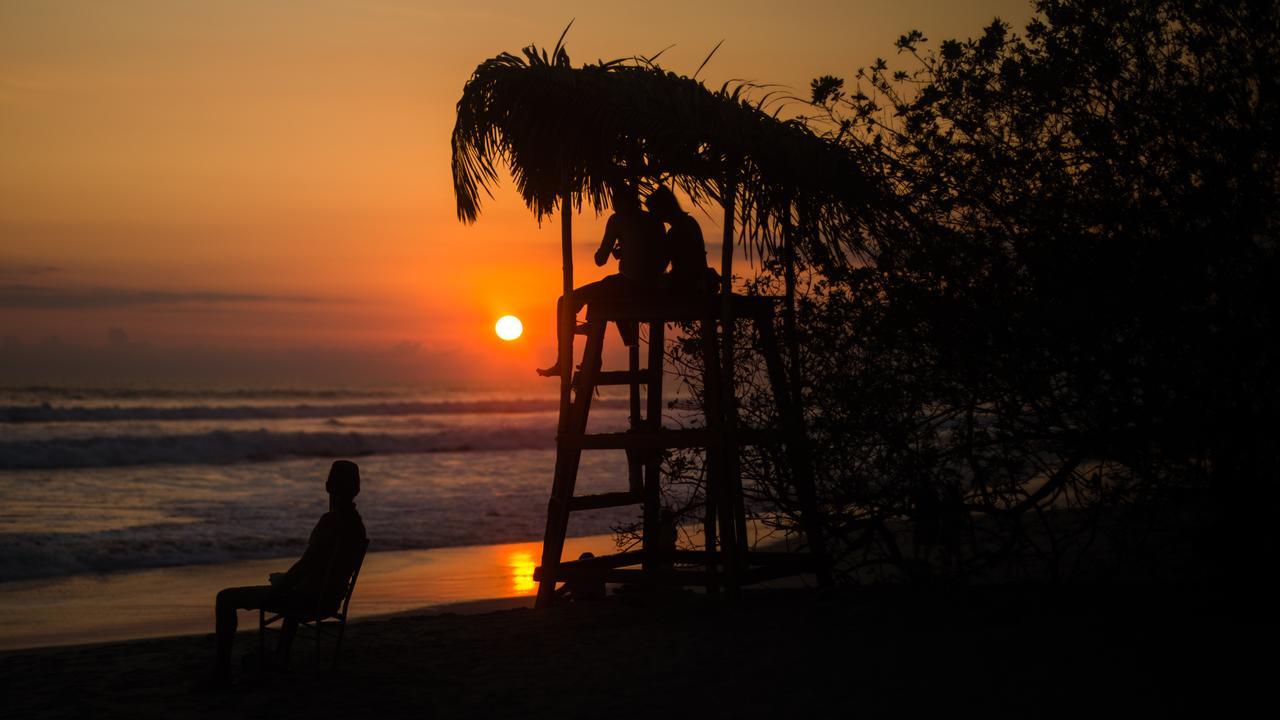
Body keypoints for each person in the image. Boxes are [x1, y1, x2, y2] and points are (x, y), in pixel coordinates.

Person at [209, 460, 367, 686]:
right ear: (357, 490)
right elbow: (320, 569)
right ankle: (281, 656)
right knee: (291, 585)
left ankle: (222, 672)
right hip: (331, 600)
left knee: (225, 598)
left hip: (307, 600)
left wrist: (280, 586)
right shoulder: (357, 527)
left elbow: (306, 565)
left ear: (327, 486)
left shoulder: (330, 522)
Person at [537, 182, 668, 377]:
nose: (613, 206)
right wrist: (626, 252)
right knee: (598, 297)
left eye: (615, 202)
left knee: (565, 301)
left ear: (622, 202)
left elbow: (600, 260)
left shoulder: (617, 220)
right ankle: (593, 357)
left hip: (627, 285)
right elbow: (660, 258)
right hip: (652, 288)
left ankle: (563, 362)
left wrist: (613, 247)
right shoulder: (655, 221)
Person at [645, 186, 716, 295]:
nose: (653, 216)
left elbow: (661, 265)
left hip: (687, 286)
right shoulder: (691, 222)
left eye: (653, 211)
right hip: (699, 281)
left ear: (662, 209)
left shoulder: (674, 232)